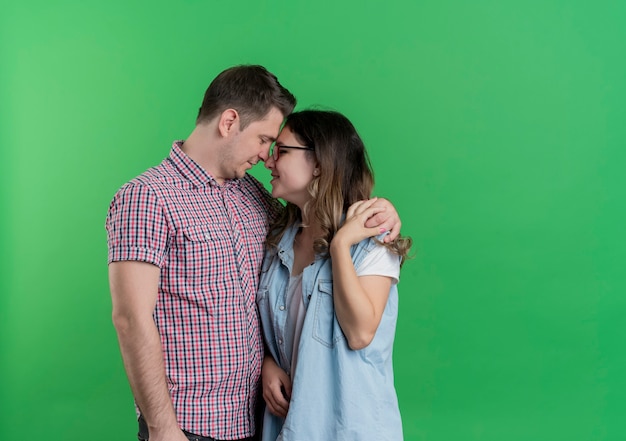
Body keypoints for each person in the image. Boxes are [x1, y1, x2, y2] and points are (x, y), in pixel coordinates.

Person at [106, 65, 402, 441]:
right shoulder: (148, 197)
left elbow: (271, 290)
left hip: (261, 422)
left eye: (276, 146)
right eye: (265, 140)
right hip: (189, 426)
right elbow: (131, 318)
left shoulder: (256, 198)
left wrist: (382, 212)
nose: (266, 157)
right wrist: (163, 429)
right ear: (229, 122)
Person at [257, 109, 412, 440]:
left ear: (318, 164)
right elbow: (279, 331)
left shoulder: (373, 243)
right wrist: (268, 363)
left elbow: (359, 333)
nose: (268, 161)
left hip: (351, 429)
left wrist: (341, 245)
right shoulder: (277, 242)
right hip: (290, 427)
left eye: (281, 151)